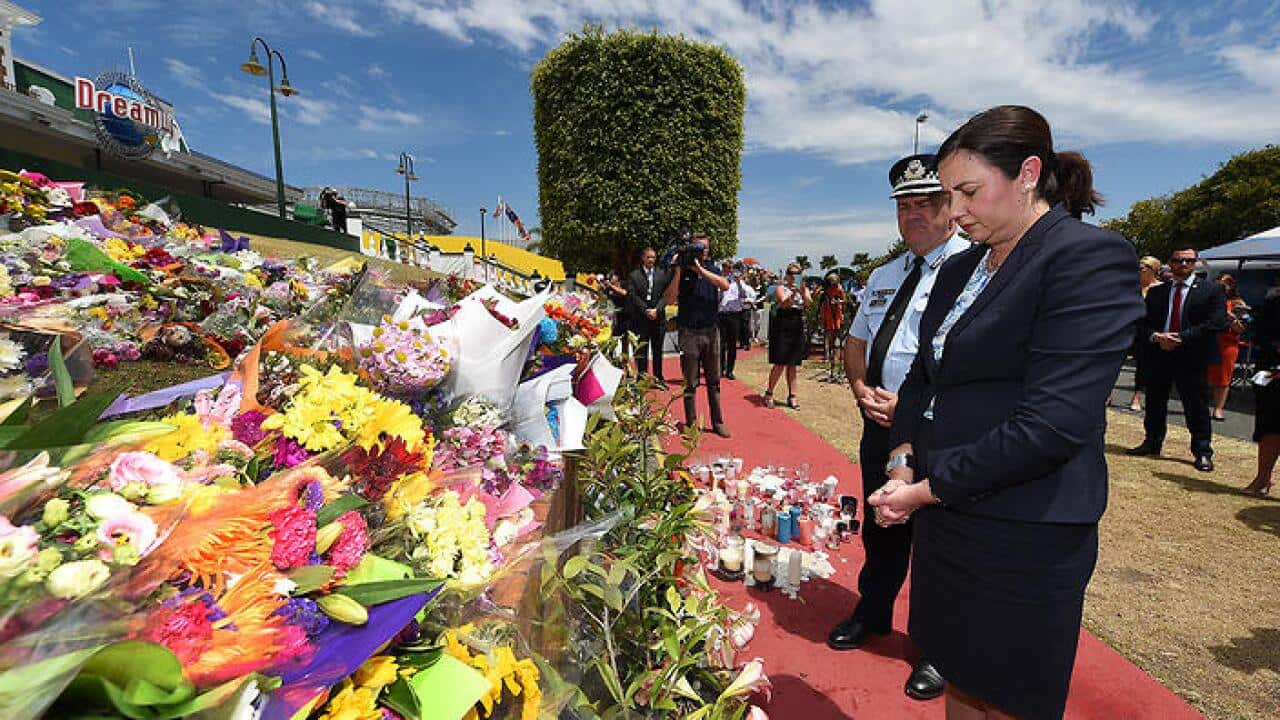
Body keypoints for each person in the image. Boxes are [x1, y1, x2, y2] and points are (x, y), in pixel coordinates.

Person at [868, 105, 1143, 720]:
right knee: (958, 676)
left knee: (1012, 698)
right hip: (946, 519)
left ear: (1027, 173)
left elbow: (1053, 423)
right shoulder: (961, 266)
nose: (956, 210)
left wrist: (927, 490)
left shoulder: (1086, 259)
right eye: (949, 193)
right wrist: (904, 457)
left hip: (1025, 529)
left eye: (968, 191)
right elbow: (922, 374)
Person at [827, 153, 970, 702]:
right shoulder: (886, 273)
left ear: (951, 208)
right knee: (882, 524)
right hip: (880, 425)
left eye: (924, 205)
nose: (911, 217)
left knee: (939, 539)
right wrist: (861, 390)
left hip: (941, 429)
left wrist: (910, 406)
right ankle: (873, 611)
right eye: (903, 207)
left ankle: (939, 647)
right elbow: (857, 341)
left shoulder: (975, 268)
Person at [1127, 246, 1227, 471]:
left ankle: (1202, 452)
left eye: (1188, 261)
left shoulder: (1212, 291)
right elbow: (1141, 323)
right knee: (1154, 402)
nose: (1183, 265)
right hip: (1159, 354)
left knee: (1196, 406)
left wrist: (1182, 337)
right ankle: (1152, 442)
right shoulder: (1157, 292)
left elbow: (1217, 322)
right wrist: (1156, 336)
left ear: (1196, 263)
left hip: (1192, 357)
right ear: (1170, 263)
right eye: (1178, 260)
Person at [663, 233, 731, 437]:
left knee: (714, 380)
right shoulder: (681, 270)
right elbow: (670, 298)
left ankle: (717, 422)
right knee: (690, 382)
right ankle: (691, 423)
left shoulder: (712, 268)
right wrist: (677, 270)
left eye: (705, 248)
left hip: (711, 331)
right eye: (698, 247)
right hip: (689, 331)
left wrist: (701, 270)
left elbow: (724, 285)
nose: (702, 251)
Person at [1247, 285, 1280, 495]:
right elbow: (1259, 333)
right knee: (1269, 427)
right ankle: (1262, 478)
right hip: (1271, 372)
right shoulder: (1273, 302)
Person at [763, 263, 811, 409]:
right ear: (787, 275)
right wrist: (794, 293)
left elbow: (808, 303)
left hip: (797, 324)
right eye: (791, 273)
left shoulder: (804, 288)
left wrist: (802, 292)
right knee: (780, 362)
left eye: (797, 274)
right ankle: (769, 393)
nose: (793, 277)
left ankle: (792, 396)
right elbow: (784, 304)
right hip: (783, 324)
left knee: (793, 363)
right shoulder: (780, 288)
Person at [626, 247, 670, 388]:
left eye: (653, 257)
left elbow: (666, 295)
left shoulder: (662, 274)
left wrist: (657, 309)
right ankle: (642, 378)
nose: (651, 260)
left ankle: (658, 378)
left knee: (658, 350)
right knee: (642, 351)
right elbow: (632, 296)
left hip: (658, 319)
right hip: (641, 319)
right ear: (643, 258)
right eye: (648, 257)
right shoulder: (634, 276)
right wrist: (646, 310)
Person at [1208, 274, 1249, 421]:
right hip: (1209, 340)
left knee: (1223, 378)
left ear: (1231, 286)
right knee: (1203, 375)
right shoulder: (1209, 300)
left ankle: (1218, 409)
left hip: (1227, 343)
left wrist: (1231, 317)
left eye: (1224, 284)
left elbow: (1241, 329)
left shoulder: (1238, 303)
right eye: (1218, 284)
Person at [1128, 256, 1164, 412]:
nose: (1141, 269)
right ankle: (1107, 394)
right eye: (1140, 266)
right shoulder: (1132, 287)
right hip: (1128, 328)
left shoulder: (1161, 288)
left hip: (1147, 331)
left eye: (1145, 267)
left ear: (1154, 270)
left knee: (1143, 366)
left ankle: (1137, 396)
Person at [718, 264, 747, 379]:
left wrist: (739, 282)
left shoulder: (738, 283)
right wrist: (720, 289)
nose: (729, 271)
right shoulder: (719, 280)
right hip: (721, 315)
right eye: (726, 268)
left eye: (730, 268)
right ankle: (720, 368)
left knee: (732, 344)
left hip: (734, 315)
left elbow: (744, 295)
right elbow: (717, 298)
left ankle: (730, 370)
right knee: (720, 344)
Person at [819, 271, 848, 365]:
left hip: (836, 312)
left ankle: (834, 355)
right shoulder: (826, 288)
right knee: (828, 333)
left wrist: (838, 301)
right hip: (827, 311)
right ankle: (827, 355)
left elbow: (844, 300)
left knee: (836, 333)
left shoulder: (839, 288)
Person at [602, 271, 629, 358]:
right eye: (608, 278)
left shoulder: (624, 284)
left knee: (625, 339)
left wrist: (612, 286)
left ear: (617, 277)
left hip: (627, 315)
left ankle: (625, 359)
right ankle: (612, 357)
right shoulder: (608, 289)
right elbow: (604, 299)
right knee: (613, 338)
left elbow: (625, 293)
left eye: (611, 277)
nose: (610, 279)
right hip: (615, 316)